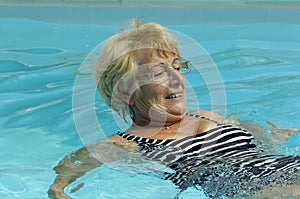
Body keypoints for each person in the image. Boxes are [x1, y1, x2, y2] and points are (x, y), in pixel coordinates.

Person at [48, 19, 300, 199]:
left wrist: (271, 136)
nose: (177, 79)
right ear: (126, 92)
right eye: (159, 72)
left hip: (288, 166)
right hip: (252, 190)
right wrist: (59, 190)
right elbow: (68, 169)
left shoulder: (207, 117)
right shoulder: (127, 144)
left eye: (177, 67)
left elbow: (252, 135)